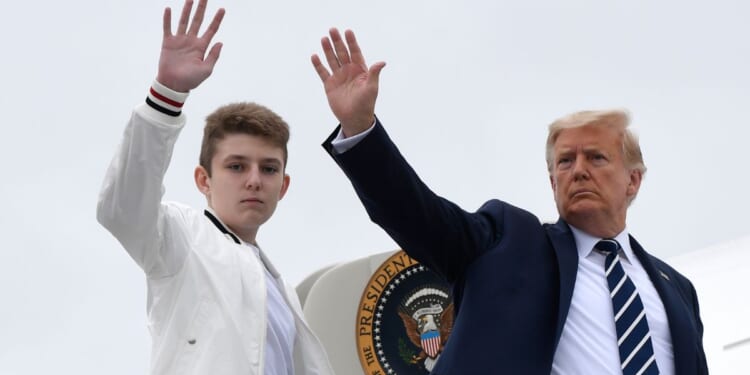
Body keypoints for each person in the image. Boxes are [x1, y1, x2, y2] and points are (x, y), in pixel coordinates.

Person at [311, 28, 708, 374]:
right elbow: (417, 214)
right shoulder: (508, 241)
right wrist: (361, 129)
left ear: (633, 180)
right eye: (565, 161)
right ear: (552, 181)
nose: (578, 170)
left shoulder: (678, 290)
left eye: (597, 157)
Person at [96, 1, 333, 373]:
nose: (254, 179)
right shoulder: (180, 238)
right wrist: (166, 95)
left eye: (268, 169)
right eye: (236, 166)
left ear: (283, 186)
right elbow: (122, 209)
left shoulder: (285, 295)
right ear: (203, 180)